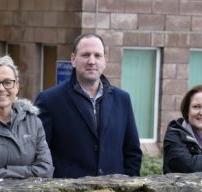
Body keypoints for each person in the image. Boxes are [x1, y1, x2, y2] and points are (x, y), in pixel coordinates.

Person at [34, 33, 142, 178]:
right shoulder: (49, 100)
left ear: (105, 60)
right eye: (85, 55)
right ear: (73, 59)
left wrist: (128, 188)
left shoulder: (122, 99)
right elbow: (40, 153)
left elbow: (132, 152)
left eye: (97, 55)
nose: (92, 61)